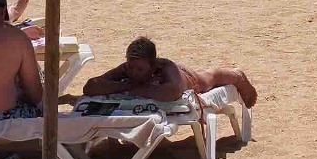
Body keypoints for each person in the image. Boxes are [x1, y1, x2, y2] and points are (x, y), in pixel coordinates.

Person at [83, 36, 258, 108]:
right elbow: (90, 86)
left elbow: (172, 92)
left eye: (140, 69)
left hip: (188, 78)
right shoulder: (127, 69)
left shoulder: (166, 68)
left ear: (152, 66)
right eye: (132, 67)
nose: (135, 72)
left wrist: (130, 89)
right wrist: (127, 84)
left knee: (208, 78)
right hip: (151, 84)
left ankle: (237, 76)